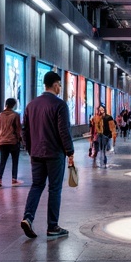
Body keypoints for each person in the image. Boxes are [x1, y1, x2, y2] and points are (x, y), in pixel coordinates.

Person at [20, 70, 76, 239]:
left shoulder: (31, 105)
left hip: (36, 153)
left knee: (37, 185)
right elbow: (63, 131)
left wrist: (30, 148)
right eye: (60, 85)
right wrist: (70, 152)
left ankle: (28, 218)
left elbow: (24, 130)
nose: (60, 88)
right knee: (54, 189)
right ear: (55, 84)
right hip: (54, 153)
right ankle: (52, 226)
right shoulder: (59, 105)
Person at [0, 97, 23, 187]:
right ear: (14, 105)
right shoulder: (16, 115)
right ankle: (14, 179)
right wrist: (20, 139)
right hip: (13, 141)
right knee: (15, 161)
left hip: (2, 141)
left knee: (2, 161)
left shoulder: (0, 115)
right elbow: (18, 129)